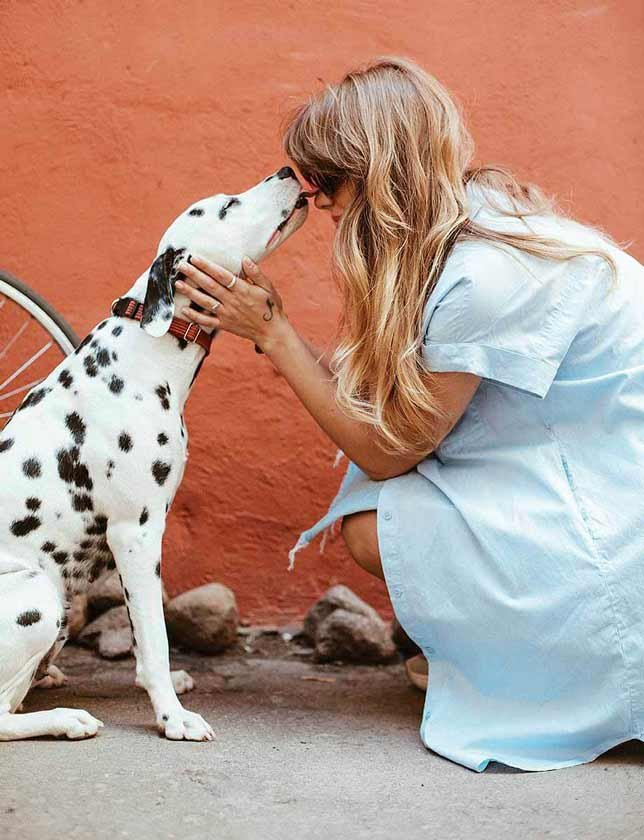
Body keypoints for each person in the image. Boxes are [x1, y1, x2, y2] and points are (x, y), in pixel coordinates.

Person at [174, 56, 644, 772]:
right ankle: (497, 651)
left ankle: (552, 666)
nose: (315, 200)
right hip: (584, 461)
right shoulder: (471, 219)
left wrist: (272, 333)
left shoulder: (484, 276)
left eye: (327, 181)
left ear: (379, 170)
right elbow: (390, 405)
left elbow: (389, 449)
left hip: (614, 502)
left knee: (377, 518)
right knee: (385, 500)